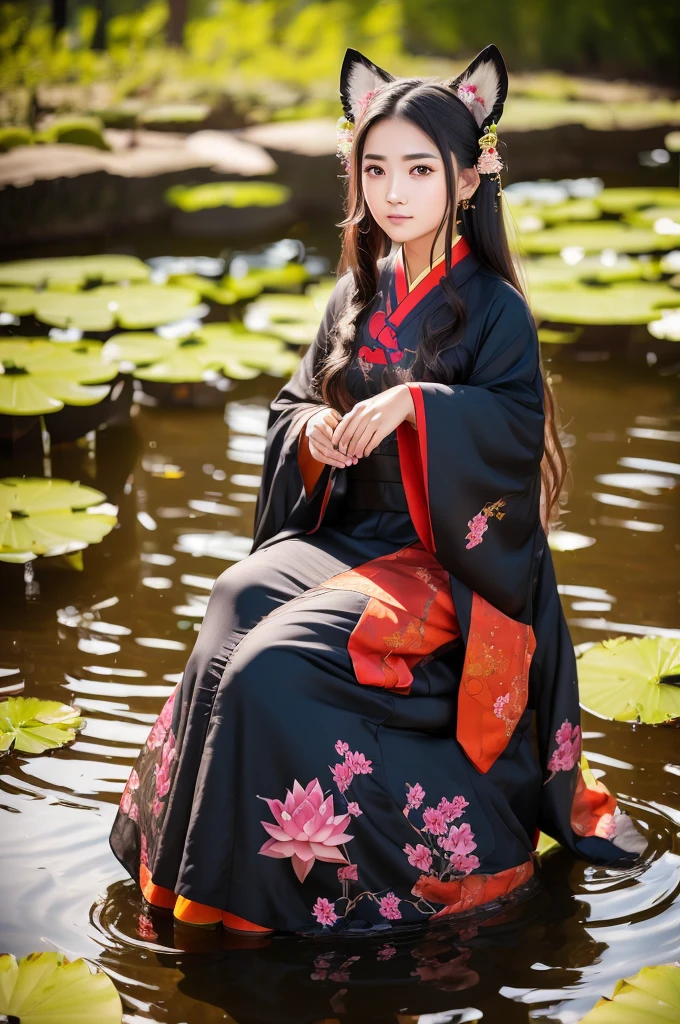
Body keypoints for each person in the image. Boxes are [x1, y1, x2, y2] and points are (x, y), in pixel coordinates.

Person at [109, 44, 646, 937]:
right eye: (377, 168)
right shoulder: (354, 296)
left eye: (421, 170)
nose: (394, 192)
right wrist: (312, 432)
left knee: (271, 670)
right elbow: (289, 404)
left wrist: (418, 406)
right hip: (349, 540)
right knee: (231, 598)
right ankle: (186, 879)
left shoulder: (498, 311)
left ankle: (360, 883)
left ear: (469, 178)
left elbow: (513, 435)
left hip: (441, 560)